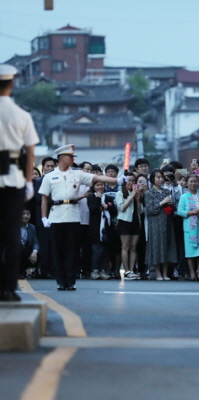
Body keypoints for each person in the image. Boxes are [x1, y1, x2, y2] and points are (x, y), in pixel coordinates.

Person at [39, 144, 127, 290]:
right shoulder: (49, 177)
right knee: (58, 250)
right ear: (61, 158)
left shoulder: (77, 174)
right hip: (56, 215)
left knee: (72, 251)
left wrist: (117, 181)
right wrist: (44, 218)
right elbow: (43, 198)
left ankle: (71, 280)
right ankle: (61, 280)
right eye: (70, 156)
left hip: (73, 215)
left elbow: (97, 177)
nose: (72, 159)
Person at [0, 64, 39, 301]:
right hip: (13, 177)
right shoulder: (21, 115)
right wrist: (27, 182)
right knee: (11, 234)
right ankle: (8, 287)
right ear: (12, 85)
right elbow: (31, 153)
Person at [178, 174, 199, 280]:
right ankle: (192, 273)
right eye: (191, 181)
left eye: (195, 181)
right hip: (190, 226)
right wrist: (192, 212)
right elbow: (179, 211)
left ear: (198, 183)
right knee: (190, 251)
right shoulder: (184, 197)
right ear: (187, 184)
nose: (193, 183)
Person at [144, 169, 177, 280]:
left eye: (161, 177)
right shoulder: (148, 193)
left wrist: (172, 204)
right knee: (157, 247)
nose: (160, 179)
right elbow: (150, 210)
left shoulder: (167, 191)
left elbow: (174, 209)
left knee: (167, 246)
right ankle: (158, 273)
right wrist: (162, 203)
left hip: (167, 222)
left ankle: (165, 273)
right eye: (157, 177)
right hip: (155, 223)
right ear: (152, 179)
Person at [116, 173, 143, 280]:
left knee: (133, 247)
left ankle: (132, 270)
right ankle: (126, 271)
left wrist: (137, 200)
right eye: (129, 181)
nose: (131, 183)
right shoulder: (120, 193)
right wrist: (131, 196)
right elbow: (121, 208)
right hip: (124, 222)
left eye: (133, 181)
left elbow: (140, 211)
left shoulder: (136, 194)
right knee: (125, 247)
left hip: (136, 221)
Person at [87, 180, 115, 280]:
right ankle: (94, 270)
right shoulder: (91, 197)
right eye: (97, 185)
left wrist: (108, 207)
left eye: (102, 185)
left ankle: (103, 270)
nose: (100, 187)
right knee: (97, 249)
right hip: (95, 227)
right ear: (94, 187)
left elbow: (114, 210)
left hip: (106, 227)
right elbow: (93, 209)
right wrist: (98, 200)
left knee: (105, 250)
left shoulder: (108, 197)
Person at [19, 209, 39, 279]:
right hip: (15, 252)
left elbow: (35, 242)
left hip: (26, 252)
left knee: (38, 252)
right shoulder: (12, 226)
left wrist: (34, 252)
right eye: (23, 214)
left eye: (28, 214)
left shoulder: (32, 227)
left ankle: (34, 271)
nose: (26, 216)